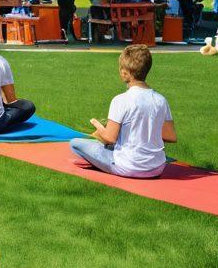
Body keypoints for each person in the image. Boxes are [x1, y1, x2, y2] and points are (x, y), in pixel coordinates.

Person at [69, 45, 175, 178]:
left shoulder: (120, 100)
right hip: (157, 168)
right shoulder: (161, 100)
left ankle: (98, 163)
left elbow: (109, 139)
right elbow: (170, 136)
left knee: (75, 144)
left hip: (127, 166)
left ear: (125, 73)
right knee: (113, 145)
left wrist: (99, 127)